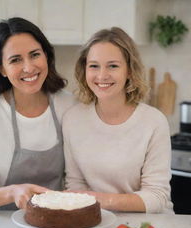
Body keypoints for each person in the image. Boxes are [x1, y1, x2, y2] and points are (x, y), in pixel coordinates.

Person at [0, 17, 76, 210]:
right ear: (1, 69)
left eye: (35, 55)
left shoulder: (69, 104)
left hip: (53, 221)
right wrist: (13, 192)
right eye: (15, 60)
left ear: (46, 56)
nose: (29, 67)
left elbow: (76, 177)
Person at [63, 27, 173, 213]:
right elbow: (75, 185)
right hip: (97, 221)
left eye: (113, 65)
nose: (102, 75)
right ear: (85, 69)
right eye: (94, 65)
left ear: (129, 70)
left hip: (150, 225)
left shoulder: (154, 121)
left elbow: (157, 196)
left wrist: (100, 200)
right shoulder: (72, 119)